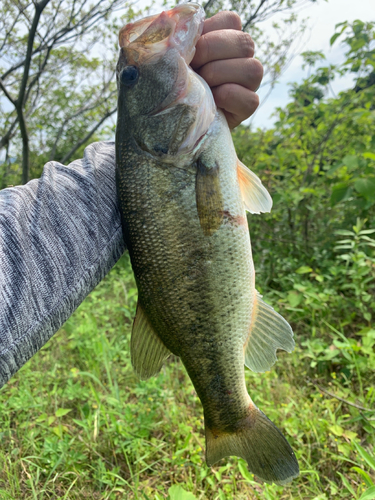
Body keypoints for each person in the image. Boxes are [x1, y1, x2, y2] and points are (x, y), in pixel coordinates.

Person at [0, 11, 263, 389]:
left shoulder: (177, 144)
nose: (131, 71)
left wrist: (187, 120)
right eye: (130, 78)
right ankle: (231, 414)